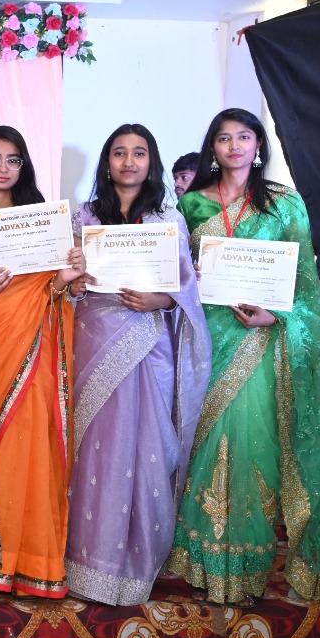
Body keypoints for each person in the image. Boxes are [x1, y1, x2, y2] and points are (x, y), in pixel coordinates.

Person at [167, 107, 320, 605]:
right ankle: (203, 564)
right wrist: (191, 278)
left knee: (251, 445)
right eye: (224, 138)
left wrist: (275, 317)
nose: (235, 146)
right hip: (205, 339)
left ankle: (246, 566)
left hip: (261, 343)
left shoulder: (285, 203)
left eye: (244, 137)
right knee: (203, 445)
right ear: (212, 148)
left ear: (258, 145)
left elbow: (306, 283)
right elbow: (178, 273)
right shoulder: (191, 204)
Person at [65, 124, 211, 606]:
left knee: (147, 446)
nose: (129, 161)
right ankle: (88, 559)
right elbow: (66, 283)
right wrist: (74, 283)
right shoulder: (85, 216)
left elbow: (186, 288)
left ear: (151, 163)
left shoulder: (167, 219)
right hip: (94, 338)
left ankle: (137, 562)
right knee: (97, 449)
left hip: (149, 343)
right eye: (119, 153)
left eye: (139, 153)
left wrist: (159, 299)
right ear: (107, 162)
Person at [0, 125, 85, 598]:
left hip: (33, 348)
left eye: (12, 160)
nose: (2, 168)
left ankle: (21, 558)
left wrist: (66, 277)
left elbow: (51, 289)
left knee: (27, 442)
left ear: (23, 166)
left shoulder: (40, 220)